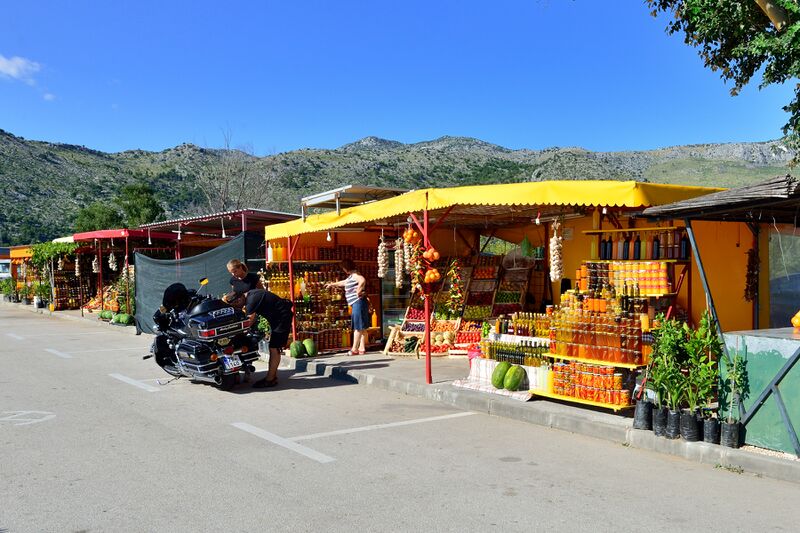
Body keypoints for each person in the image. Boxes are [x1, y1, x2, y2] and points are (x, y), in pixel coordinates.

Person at [244, 289, 294, 388]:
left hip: (281, 318)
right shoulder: (252, 294)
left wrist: (243, 330)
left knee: (274, 348)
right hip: (280, 316)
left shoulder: (251, 302)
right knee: (274, 348)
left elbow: (250, 320)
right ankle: (272, 377)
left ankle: (270, 379)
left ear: (239, 300)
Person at [326, 259, 370, 355]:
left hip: (358, 302)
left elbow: (362, 280)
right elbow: (344, 282)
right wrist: (332, 284)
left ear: (346, 268)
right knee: (362, 327)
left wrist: (359, 290)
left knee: (357, 327)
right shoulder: (351, 276)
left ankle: (354, 349)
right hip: (358, 303)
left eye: (343, 268)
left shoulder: (355, 275)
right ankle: (362, 348)